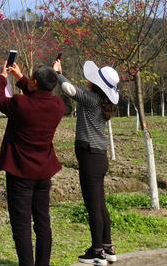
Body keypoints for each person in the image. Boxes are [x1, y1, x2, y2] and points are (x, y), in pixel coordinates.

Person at [0, 63, 65, 266]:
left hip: (20, 172)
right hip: (43, 172)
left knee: (21, 225)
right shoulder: (58, 106)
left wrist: (2, 77)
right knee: (42, 222)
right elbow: (38, 98)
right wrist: (22, 78)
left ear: (34, 83)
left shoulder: (20, 103)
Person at [54, 59, 119, 265]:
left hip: (90, 156)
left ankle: (97, 251)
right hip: (99, 156)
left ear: (97, 84)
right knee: (100, 204)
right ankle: (107, 247)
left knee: (93, 206)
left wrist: (57, 73)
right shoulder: (102, 101)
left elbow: (69, 89)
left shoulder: (91, 99)